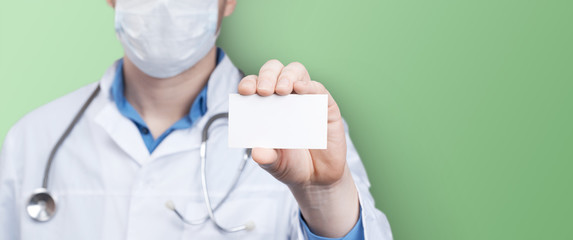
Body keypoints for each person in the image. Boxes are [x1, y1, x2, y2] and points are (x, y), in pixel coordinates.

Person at [0, 0, 392, 239]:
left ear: (228, 0)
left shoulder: (294, 133)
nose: (166, 5)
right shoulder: (33, 140)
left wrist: (324, 198)